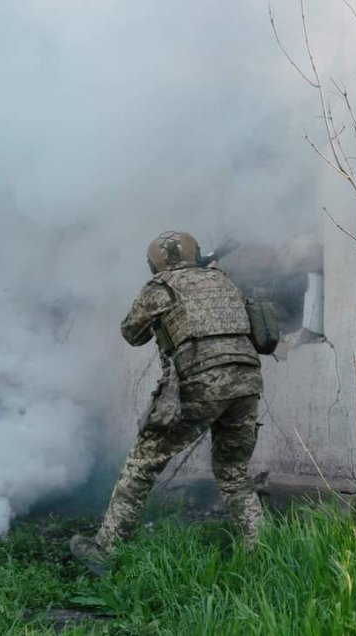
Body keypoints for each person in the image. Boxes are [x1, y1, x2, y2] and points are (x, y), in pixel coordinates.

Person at [70, 231, 265, 574]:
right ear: (197, 253)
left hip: (201, 383)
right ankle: (260, 549)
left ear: (153, 263)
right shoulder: (223, 280)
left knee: (142, 463)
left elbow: (131, 333)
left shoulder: (158, 288)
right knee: (234, 473)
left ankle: (106, 549)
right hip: (247, 381)